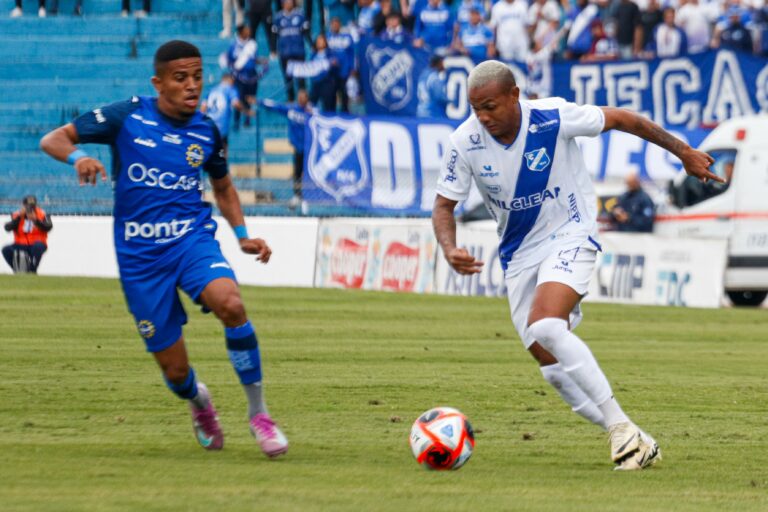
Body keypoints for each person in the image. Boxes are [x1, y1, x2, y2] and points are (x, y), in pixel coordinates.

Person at [432, 60, 721, 470]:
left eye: (490, 107)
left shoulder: (553, 117)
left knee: (547, 326)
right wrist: (449, 247)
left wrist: (684, 152)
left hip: (571, 231)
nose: (482, 117)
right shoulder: (465, 142)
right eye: (475, 108)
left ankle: (620, 428)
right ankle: (633, 437)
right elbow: (444, 205)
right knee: (549, 365)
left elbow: (623, 119)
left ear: (514, 96)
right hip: (519, 252)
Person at [39, 40, 289, 458]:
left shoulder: (206, 130)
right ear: (158, 83)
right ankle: (199, 401)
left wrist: (242, 235)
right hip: (141, 259)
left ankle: (259, 414)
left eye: (198, 76)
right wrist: (79, 157)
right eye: (180, 78)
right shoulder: (127, 116)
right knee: (175, 373)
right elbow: (54, 139)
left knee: (231, 303)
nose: (192, 85)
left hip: (191, 241)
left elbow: (223, 186)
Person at [259, 89, 313, 205]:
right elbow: (276, 106)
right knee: (297, 171)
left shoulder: (312, 113)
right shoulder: (292, 110)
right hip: (299, 147)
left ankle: (312, 195)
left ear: (307, 99)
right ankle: (297, 195)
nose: (300, 99)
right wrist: (260, 101)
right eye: (299, 97)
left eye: (303, 97)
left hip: (311, 148)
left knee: (310, 171)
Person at [201, 73, 252, 158]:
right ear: (229, 80)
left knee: (210, 150)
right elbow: (236, 103)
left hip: (210, 124)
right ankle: (223, 165)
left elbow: (203, 108)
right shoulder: (230, 89)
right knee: (223, 150)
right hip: (222, 125)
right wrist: (247, 111)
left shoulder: (212, 90)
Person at [2, 195, 52, 273]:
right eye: (28, 206)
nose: (30, 209)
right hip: (20, 244)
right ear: (23, 206)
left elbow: (48, 227)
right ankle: (17, 269)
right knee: (6, 249)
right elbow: (7, 227)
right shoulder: (16, 214)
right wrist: (19, 217)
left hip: (37, 243)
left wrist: (36, 220)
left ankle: (32, 269)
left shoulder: (42, 214)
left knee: (37, 247)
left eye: (32, 206)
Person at [273, 0, 310, 102]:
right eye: (286, 2)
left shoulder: (300, 15)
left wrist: (311, 45)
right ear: (282, 4)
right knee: (288, 77)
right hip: (284, 53)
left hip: (298, 51)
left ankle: (303, 100)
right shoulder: (278, 17)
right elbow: (274, 35)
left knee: (301, 77)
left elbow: (306, 32)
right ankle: (291, 98)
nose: (288, 4)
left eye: (290, 1)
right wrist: (275, 50)